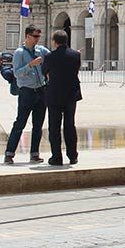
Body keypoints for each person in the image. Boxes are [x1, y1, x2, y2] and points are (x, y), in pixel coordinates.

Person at [3, 25, 50, 165]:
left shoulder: (41, 50)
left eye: (39, 37)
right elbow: (16, 73)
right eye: (35, 36)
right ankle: (9, 153)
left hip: (41, 90)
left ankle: (34, 154)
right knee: (20, 123)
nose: (37, 39)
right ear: (27, 36)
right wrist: (30, 65)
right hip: (27, 92)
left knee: (38, 125)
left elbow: (53, 57)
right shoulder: (19, 53)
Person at [41, 30, 82, 166]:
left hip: (55, 94)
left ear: (54, 41)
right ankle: (73, 156)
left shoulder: (49, 56)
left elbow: (44, 71)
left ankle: (56, 157)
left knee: (54, 127)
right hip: (71, 94)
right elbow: (75, 70)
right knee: (70, 125)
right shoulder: (76, 55)